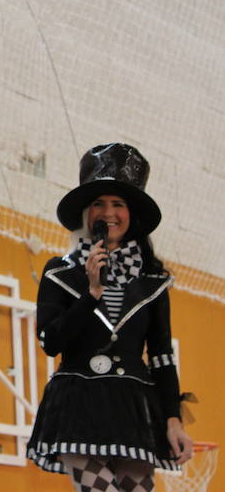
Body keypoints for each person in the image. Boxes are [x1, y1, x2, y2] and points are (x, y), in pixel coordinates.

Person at [27, 143, 192, 491]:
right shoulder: (60, 271)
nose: (109, 212)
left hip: (133, 407)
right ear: (87, 213)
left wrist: (174, 420)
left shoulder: (154, 281)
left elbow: (162, 356)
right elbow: (50, 341)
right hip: (77, 404)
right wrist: (91, 293)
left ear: (132, 214)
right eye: (99, 203)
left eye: (118, 204)